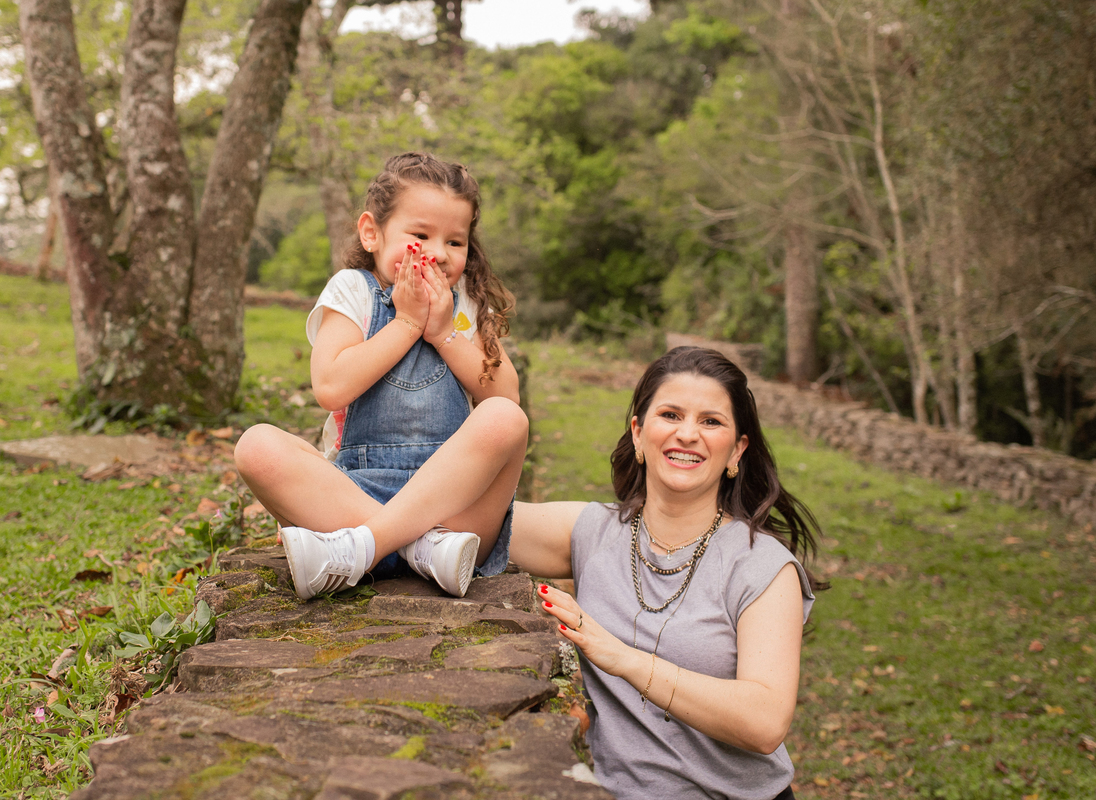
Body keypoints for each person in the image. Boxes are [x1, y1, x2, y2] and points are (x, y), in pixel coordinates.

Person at [510, 346, 819, 800]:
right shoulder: (591, 532)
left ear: (737, 450)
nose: (688, 434)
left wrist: (623, 658)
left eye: (711, 421)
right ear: (638, 433)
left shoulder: (762, 566)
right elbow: (469, 522)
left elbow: (765, 723)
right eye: (671, 414)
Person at [235, 152, 527, 600]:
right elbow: (331, 386)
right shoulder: (353, 290)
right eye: (420, 235)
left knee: (507, 419)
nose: (438, 254)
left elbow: (505, 396)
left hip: (455, 511)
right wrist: (406, 323)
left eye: (455, 241)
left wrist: (444, 333)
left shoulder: (465, 303)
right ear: (371, 232)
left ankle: (362, 547)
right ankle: (417, 548)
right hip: (360, 493)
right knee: (256, 447)